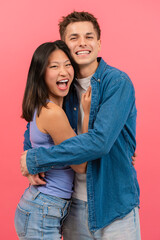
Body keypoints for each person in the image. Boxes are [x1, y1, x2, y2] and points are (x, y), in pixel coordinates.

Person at [20, 11, 141, 240]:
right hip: (73, 206)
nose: (82, 43)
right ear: (65, 46)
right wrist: (30, 153)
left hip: (114, 206)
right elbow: (35, 122)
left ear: (99, 44)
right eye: (74, 38)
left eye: (89, 36)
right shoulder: (63, 84)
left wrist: (38, 159)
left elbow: (100, 142)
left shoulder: (117, 82)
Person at [14, 40, 91, 240]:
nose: (64, 72)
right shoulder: (53, 113)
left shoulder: (42, 106)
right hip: (44, 208)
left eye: (67, 64)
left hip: (44, 206)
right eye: (54, 66)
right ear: (41, 73)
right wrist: (86, 114)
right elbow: (81, 164)